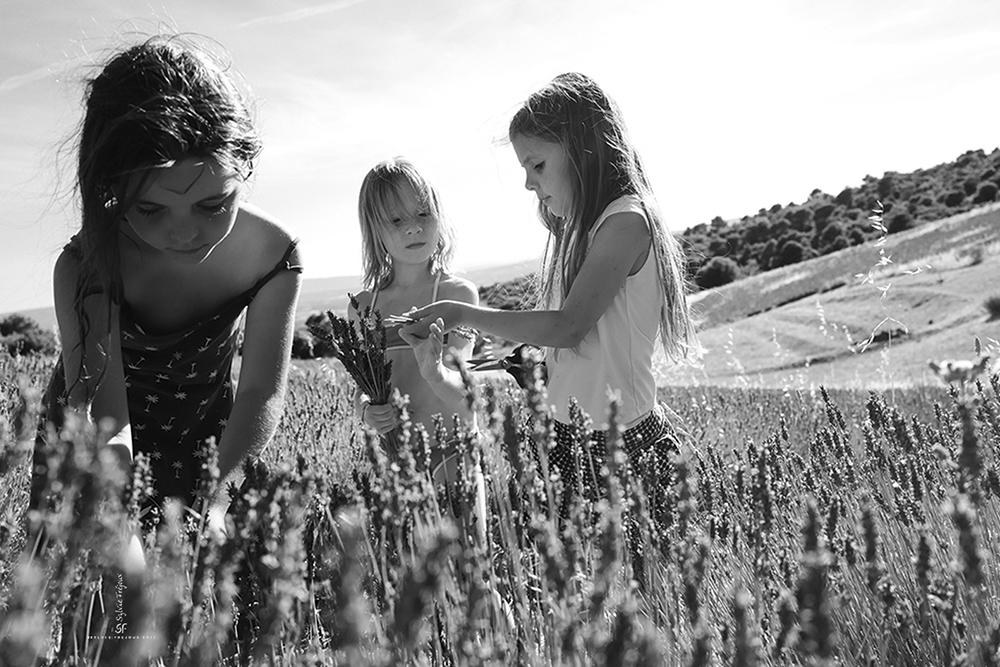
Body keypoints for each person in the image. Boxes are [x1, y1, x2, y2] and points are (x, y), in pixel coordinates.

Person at [29, 36, 303, 548]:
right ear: (109, 188)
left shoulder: (272, 254)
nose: (184, 234)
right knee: (98, 599)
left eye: (212, 204)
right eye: (150, 210)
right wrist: (119, 518)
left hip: (209, 435)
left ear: (245, 166)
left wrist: (217, 498)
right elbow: (103, 415)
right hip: (98, 433)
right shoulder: (87, 263)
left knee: (217, 597)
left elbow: (261, 393)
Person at [403, 72, 699, 510]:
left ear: (586, 152)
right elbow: (574, 349)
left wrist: (462, 313)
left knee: (629, 575)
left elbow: (568, 327)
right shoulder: (582, 229)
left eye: (537, 165)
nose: (529, 183)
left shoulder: (626, 222)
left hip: (622, 443)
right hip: (564, 434)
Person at [352, 157, 479, 485]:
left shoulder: (457, 297)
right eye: (395, 219)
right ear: (374, 230)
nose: (413, 227)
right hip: (397, 460)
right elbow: (362, 388)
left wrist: (436, 375)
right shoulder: (364, 307)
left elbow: (467, 401)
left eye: (423, 213)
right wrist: (367, 411)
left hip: (455, 454)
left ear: (439, 215)